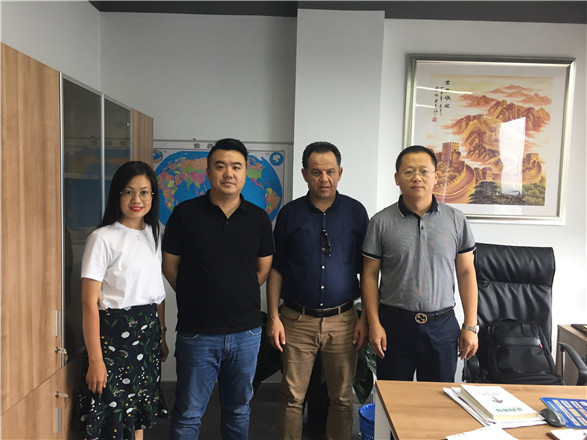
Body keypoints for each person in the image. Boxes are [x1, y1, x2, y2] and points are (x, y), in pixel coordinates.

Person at [162, 138, 274, 439]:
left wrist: (235, 291)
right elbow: (170, 266)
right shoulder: (185, 214)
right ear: (208, 171)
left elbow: (263, 269)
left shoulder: (259, 218)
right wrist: (196, 294)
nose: (228, 173)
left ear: (245, 172)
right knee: (188, 413)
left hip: (246, 333)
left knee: (238, 410)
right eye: (220, 166)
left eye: (236, 167)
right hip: (197, 332)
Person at [267, 141, 370, 440]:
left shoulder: (355, 212)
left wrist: (365, 318)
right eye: (316, 172)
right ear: (304, 174)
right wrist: (273, 317)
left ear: (340, 173)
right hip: (296, 320)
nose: (324, 178)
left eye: (330, 171)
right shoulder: (289, 214)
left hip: (343, 321)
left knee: (342, 398)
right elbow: (276, 269)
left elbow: (367, 270)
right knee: (291, 397)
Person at [362, 145, 479, 382]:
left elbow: (466, 272)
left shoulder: (456, 220)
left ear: (436, 177)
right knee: (393, 398)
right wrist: (373, 324)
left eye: (424, 171)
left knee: (437, 398)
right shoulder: (380, 222)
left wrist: (470, 325)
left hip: (442, 326)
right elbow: (369, 275)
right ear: (397, 178)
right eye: (409, 172)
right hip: (394, 326)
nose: (417, 177)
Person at [78, 161, 168, 440]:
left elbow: (157, 293)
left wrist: (162, 335)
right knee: (111, 418)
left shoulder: (156, 233)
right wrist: (96, 360)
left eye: (144, 192)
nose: (136, 200)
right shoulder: (102, 238)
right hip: (113, 339)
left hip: (147, 334)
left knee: (137, 414)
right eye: (128, 192)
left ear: (153, 196)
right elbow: (88, 303)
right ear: (117, 195)